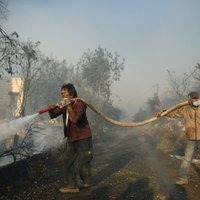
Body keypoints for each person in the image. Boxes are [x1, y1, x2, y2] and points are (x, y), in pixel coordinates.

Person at [48, 83, 93, 193]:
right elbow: (53, 115)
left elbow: (74, 119)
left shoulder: (80, 104)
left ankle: (84, 184)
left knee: (83, 161)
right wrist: (51, 108)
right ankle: (75, 184)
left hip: (83, 137)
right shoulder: (64, 104)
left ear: (71, 93)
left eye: (64, 93)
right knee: (69, 161)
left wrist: (68, 105)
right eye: (61, 93)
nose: (62, 95)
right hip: (72, 137)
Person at [157, 91, 200, 185]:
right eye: (193, 98)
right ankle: (184, 179)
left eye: (196, 98)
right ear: (189, 99)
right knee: (187, 159)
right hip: (191, 138)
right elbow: (174, 113)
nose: (195, 100)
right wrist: (164, 113)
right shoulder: (185, 109)